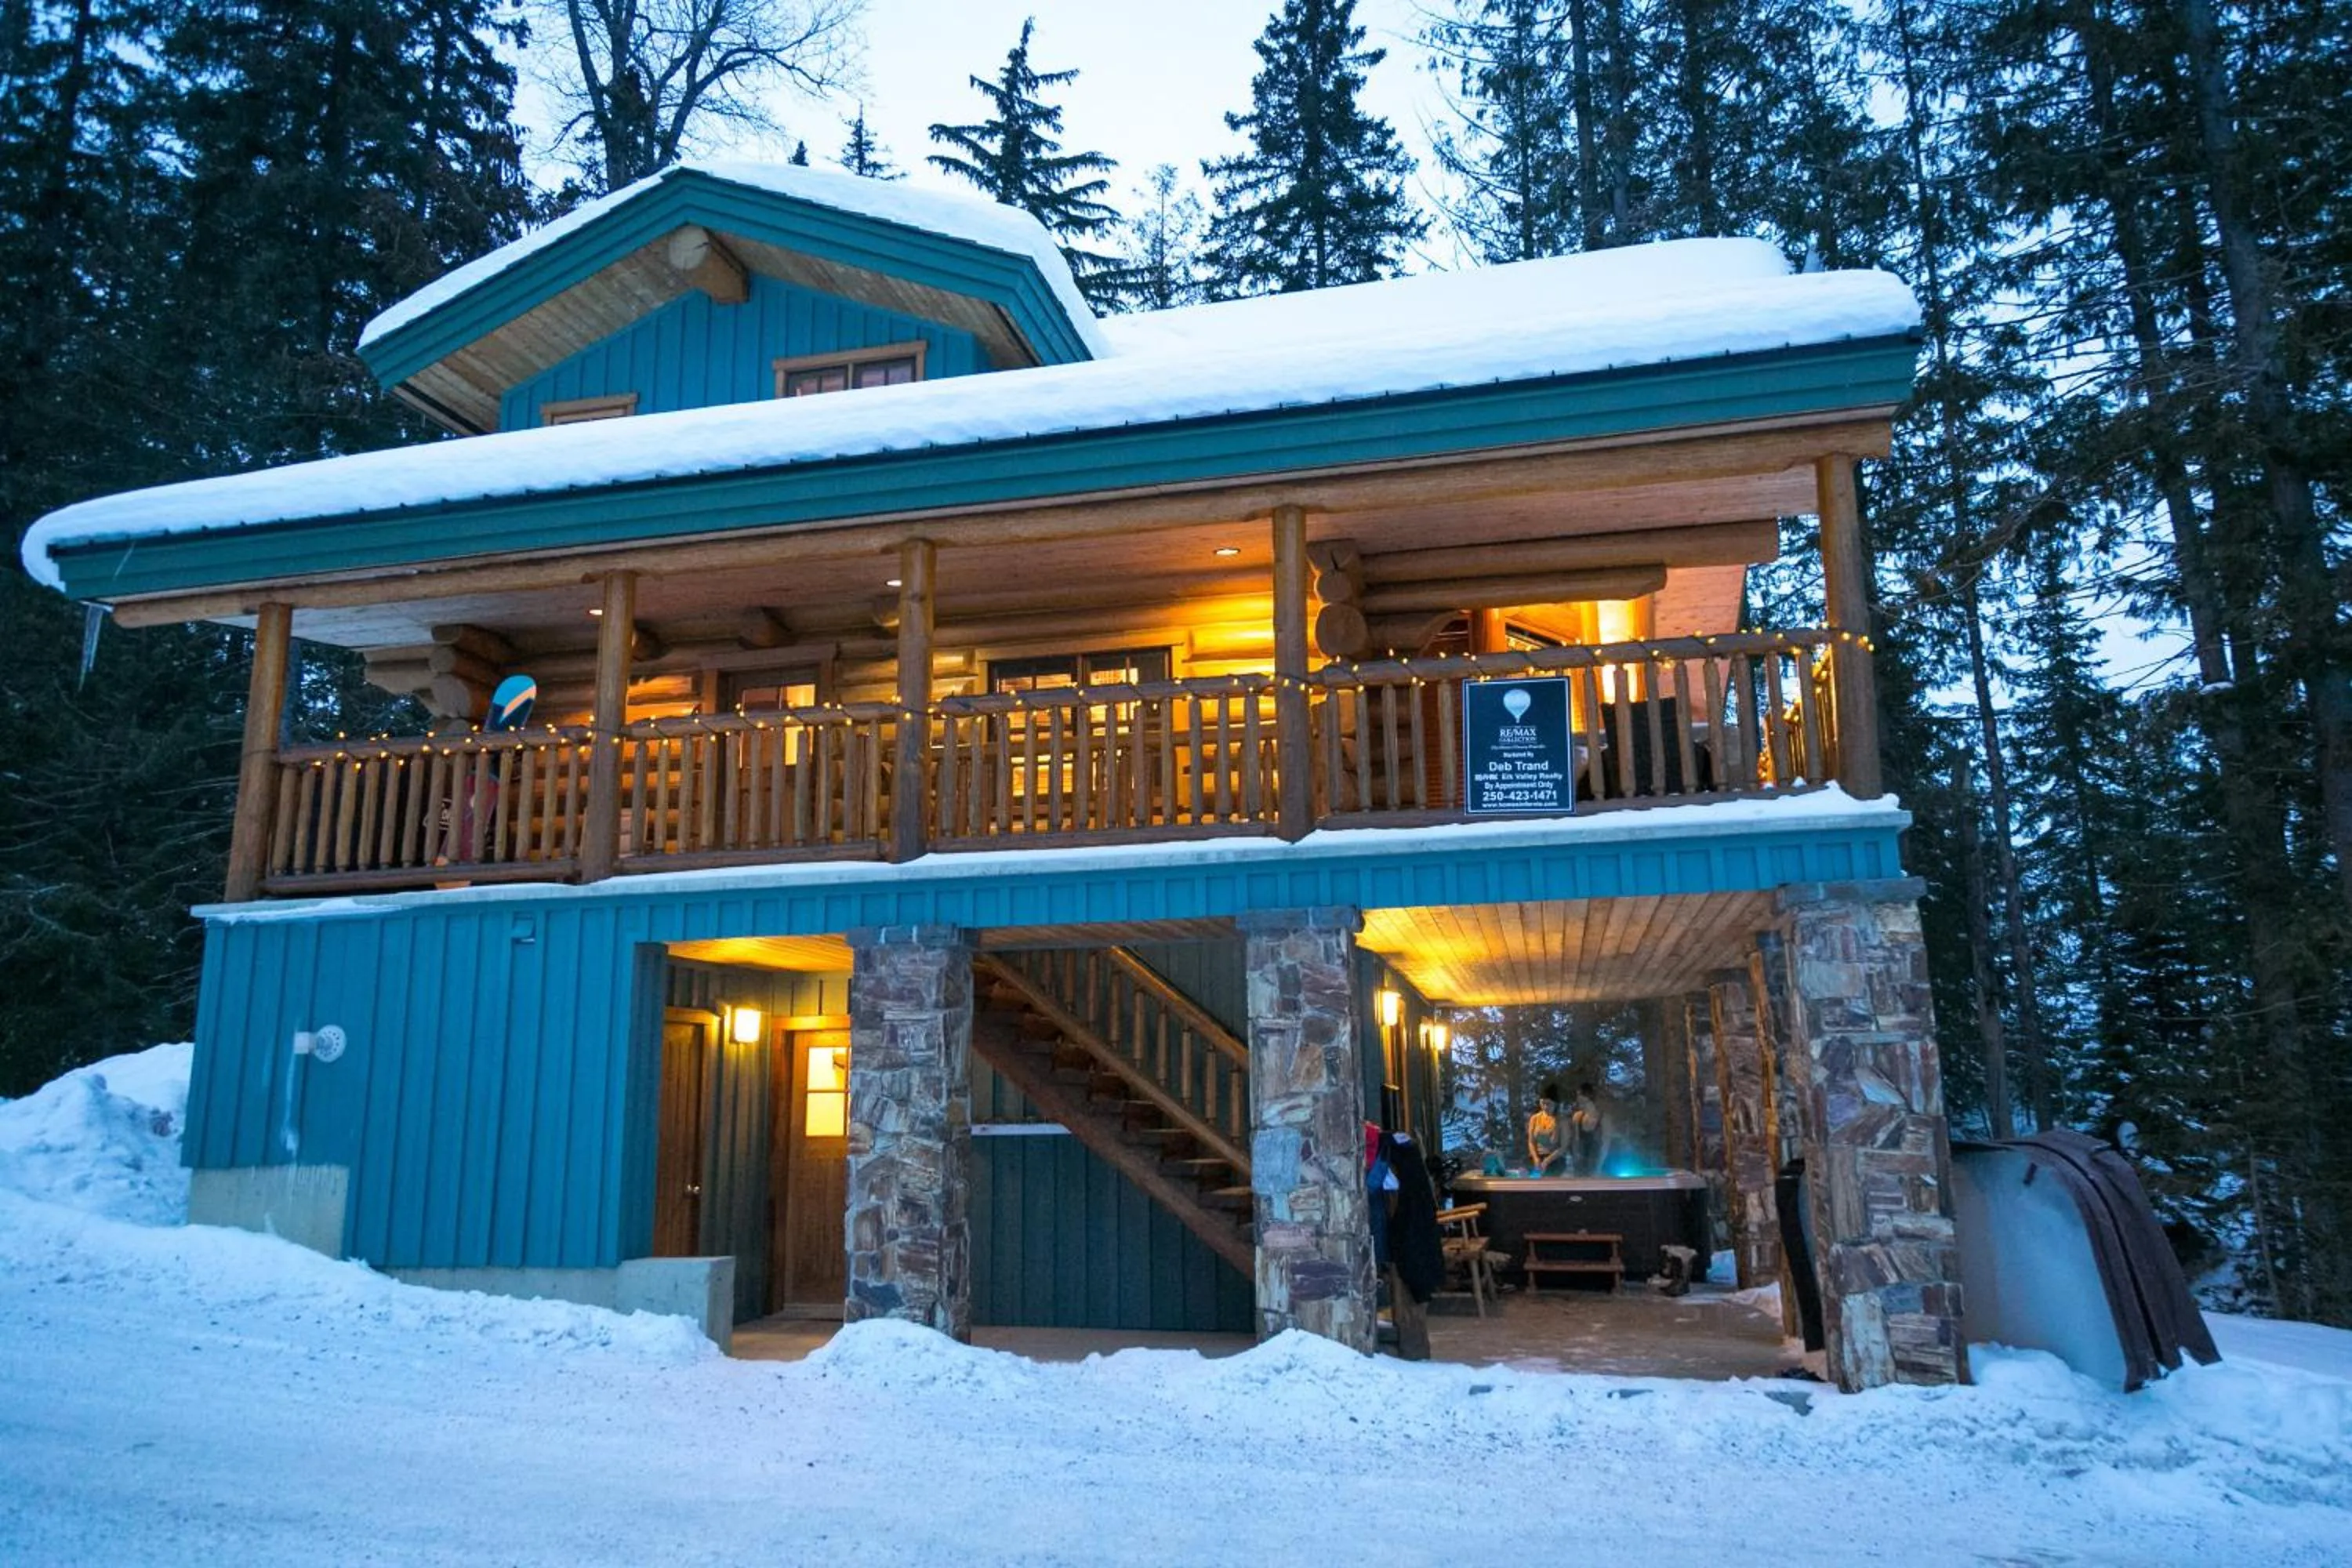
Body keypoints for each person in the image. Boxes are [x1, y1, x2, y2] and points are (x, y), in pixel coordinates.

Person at [1526, 1083, 1566, 1175]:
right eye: (1543, 1103)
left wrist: (1546, 1162)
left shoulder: (1561, 1121)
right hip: (1536, 1157)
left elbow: (1563, 1147)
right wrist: (1536, 1159)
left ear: (1555, 1104)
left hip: (1554, 1159)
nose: (1545, 1107)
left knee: (1551, 1173)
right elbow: (1531, 1142)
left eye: (1549, 1104)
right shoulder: (1535, 1118)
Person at [1568, 1081, 1604, 1175]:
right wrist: (1575, 1160)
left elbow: (1605, 1143)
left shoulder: (1602, 1117)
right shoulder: (1577, 1116)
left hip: (1595, 1160)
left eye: (1579, 1095)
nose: (1577, 1099)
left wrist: (1600, 1165)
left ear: (1586, 1096)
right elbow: (1575, 1141)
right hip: (1581, 1161)